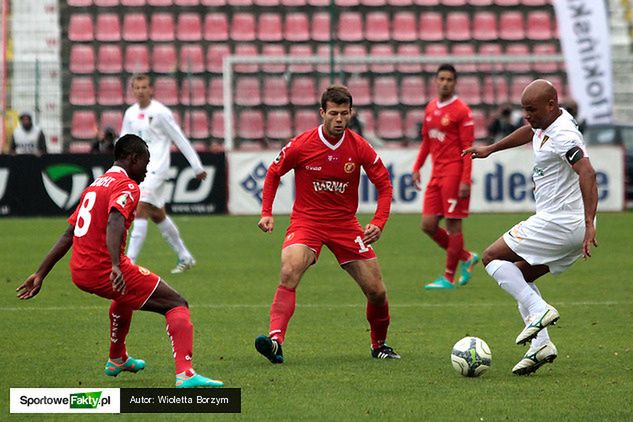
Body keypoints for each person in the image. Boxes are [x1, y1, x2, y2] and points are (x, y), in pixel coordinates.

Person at [16, 134, 223, 388]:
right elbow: (115, 220)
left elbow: (69, 233)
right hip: (104, 268)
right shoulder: (127, 186)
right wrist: (115, 265)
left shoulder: (96, 185)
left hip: (80, 270)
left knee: (124, 295)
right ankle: (185, 374)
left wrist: (40, 274)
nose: (147, 170)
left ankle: (117, 358)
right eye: (145, 163)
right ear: (132, 159)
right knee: (176, 303)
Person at [255, 85, 400, 363]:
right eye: (333, 113)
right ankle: (275, 341)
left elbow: (384, 184)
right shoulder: (301, 144)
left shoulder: (359, 146)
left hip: (345, 225)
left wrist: (379, 222)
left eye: (344, 114)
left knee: (377, 292)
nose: (338, 119)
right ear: (322, 113)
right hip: (307, 221)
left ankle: (379, 345)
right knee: (289, 269)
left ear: (351, 113)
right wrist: (267, 212)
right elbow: (274, 173)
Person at [464, 79, 598, 375]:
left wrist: (590, 223)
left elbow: (587, 172)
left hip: (559, 221)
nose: (527, 115)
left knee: (491, 258)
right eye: (524, 109)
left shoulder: (563, 135)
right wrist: (491, 149)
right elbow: (531, 131)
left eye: (531, 110)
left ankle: (539, 311)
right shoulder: (549, 121)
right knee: (520, 275)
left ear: (551, 105)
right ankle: (541, 345)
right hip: (568, 225)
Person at [121, 74, 207, 273]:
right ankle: (185, 256)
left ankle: (129, 263)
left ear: (151, 89)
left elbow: (179, 138)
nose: (141, 91)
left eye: (144, 87)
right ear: (132, 91)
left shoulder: (161, 113)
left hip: (157, 168)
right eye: (137, 88)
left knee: (140, 207)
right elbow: (123, 141)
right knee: (157, 213)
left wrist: (196, 166)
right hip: (139, 169)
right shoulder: (130, 114)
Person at [411, 64, 479, 290]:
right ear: (435, 81)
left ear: (455, 82)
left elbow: (467, 148)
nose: (445, 83)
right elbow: (427, 142)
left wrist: (465, 180)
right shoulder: (430, 107)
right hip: (436, 173)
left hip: (453, 171)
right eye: (441, 79)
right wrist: (417, 166)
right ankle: (467, 257)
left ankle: (448, 278)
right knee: (428, 225)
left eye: (449, 79)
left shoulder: (462, 111)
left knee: (453, 225)